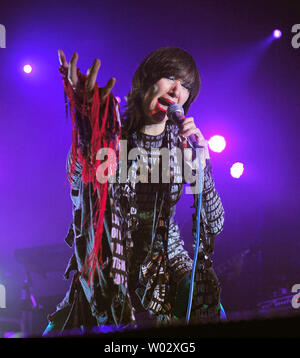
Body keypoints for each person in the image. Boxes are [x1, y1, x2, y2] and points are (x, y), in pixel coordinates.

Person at [43, 47, 225, 335]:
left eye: (186, 87)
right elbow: (78, 186)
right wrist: (85, 121)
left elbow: (214, 223)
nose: (177, 90)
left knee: (204, 292)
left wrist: (201, 169)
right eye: (170, 77)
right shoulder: (111, 134)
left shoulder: (183, 148)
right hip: (108, 258)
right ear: (146, 81)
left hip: (167, 259)